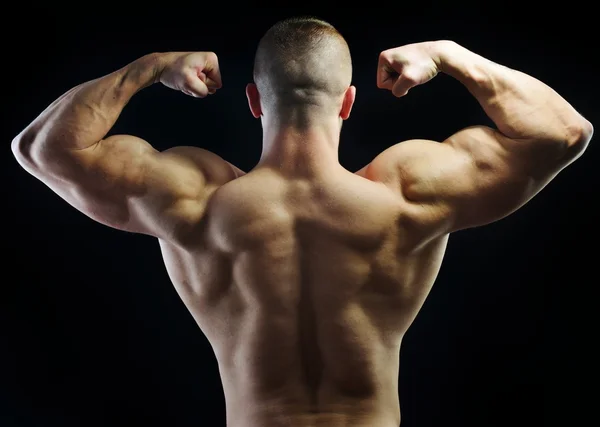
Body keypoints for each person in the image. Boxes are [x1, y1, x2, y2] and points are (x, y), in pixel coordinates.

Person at [11, 16, 592, 427]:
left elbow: (41, 149)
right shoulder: (407, 196)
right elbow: (563, 131)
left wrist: (152, 66)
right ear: (347, 102)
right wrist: (446, 54)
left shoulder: (196, 202)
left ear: (254, 102)